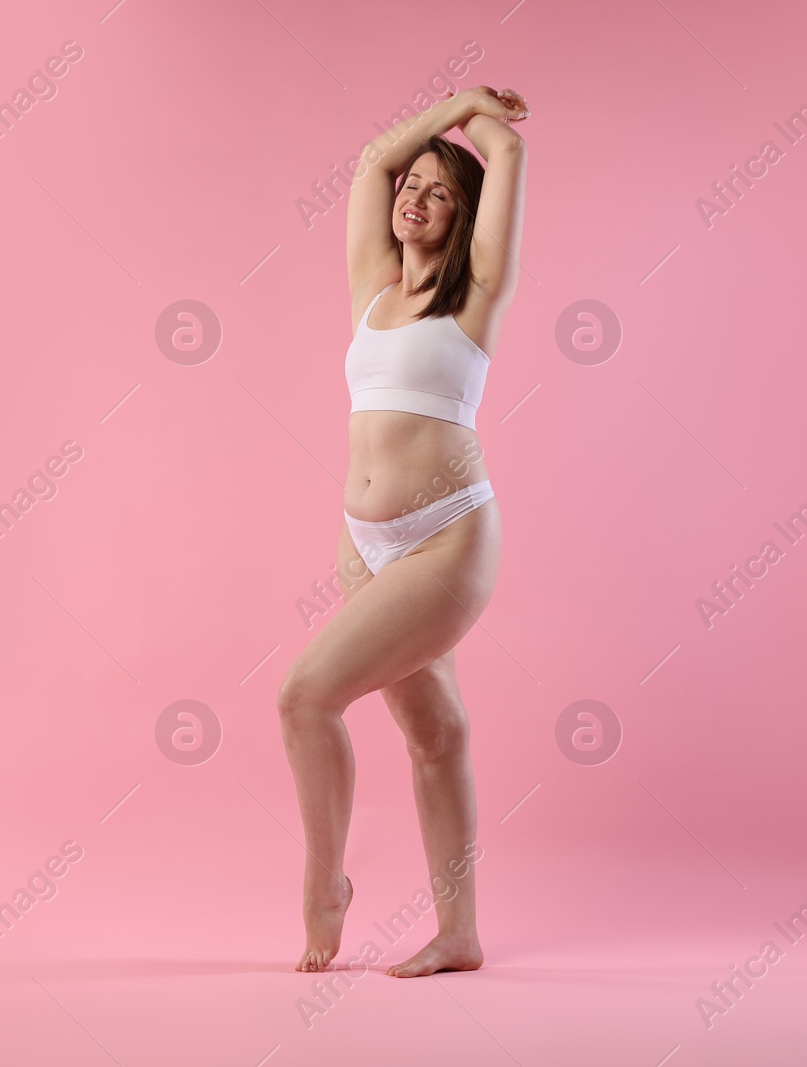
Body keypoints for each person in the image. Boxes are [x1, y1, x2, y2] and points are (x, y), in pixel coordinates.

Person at [278, 84, 530, 977]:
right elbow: (371, 163)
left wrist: (481, 127)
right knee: (437, 735)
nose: (412, 195)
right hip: (366, 542)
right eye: (411, 186)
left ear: (462, 218)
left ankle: (325, 885)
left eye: (437, 190)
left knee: (305, 696)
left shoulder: (476, 298)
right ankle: (459, 932)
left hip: (446, 537)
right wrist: (453, 100)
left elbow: (507, 157)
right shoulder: (371, 287)